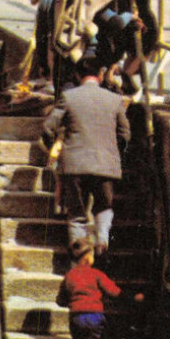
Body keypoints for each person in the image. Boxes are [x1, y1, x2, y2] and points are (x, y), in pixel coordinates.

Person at [43, 53, 129, 252]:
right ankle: (102, 242)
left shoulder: (68, 97)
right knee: (104, 206)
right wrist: (113, 152)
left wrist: (56, 151)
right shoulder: (115, 100)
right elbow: (125, 133)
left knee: (77, 213)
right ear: (100, 74)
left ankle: (80, 254)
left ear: (77, 75)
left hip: (74, 164)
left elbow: (48, 128)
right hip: (106, 164)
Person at [57, 237, 140, 339]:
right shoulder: (96, 274)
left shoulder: (69, 276)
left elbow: (60, 300)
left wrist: (71, 302)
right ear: (88, 258)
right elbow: (114, 291)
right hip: (94, 316)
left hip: (75, 318)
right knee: (106, 337)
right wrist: (133, 297)